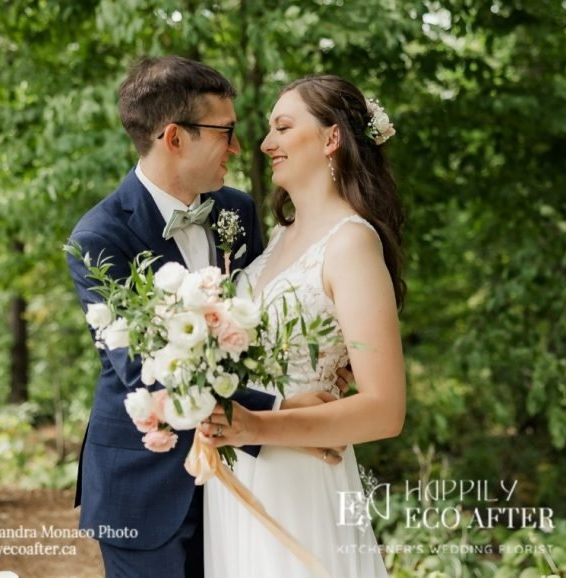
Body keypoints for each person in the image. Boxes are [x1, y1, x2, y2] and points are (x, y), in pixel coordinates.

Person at [66, 57, 344, 578]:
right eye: (226, 132)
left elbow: (265, 318)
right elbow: (148, 371)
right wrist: (281, 411)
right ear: (175, 137)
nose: (240, 148)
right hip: (142, 484)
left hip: (241, 485)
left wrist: (323, 355)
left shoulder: (238, 211)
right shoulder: (98, 237)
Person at [198, 75, 407, 578]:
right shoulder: (276, 239)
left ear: (331, 138)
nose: (266, 143)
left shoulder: (352, 243)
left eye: (283, 127)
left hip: (301, 479)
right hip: (238, 475)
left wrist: (255, 425)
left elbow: (385, 410)